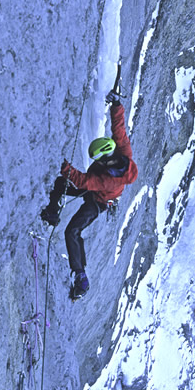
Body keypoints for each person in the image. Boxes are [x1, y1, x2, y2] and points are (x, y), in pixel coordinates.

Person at [40, 90, 138, 300]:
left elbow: (86, 182)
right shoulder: (123, 154)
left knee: (72, 231)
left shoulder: (109, 178)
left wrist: (67, 168)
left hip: (98, 202)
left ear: (103, 161)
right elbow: (119, 130)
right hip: (96, 192)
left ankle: (80, 277)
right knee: (60, 185)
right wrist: (117, 105)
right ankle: (52, 213)